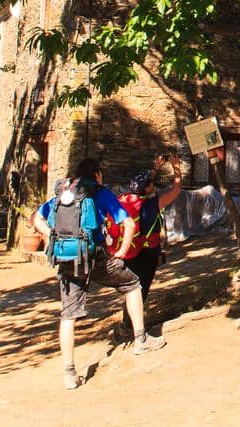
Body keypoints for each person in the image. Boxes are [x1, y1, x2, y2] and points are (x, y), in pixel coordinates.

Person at [31, 155, 165, 390]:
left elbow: (36, 217)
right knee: (133, 284)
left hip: (67, 259)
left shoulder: (63, 193)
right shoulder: (99, 192)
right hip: (96, 257)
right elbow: (128, 223)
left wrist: (52, 234)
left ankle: (69, 372)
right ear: (97, 174)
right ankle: (140, 339)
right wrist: (122, 251)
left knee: (68, 314)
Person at [109, 152, 183, 340]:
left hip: (128, 249)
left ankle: (126, 324)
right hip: (148, 251)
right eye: (151, 184)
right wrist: (176, 168)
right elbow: (176, 190)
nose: (153, 185)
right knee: (140, 289)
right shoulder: (152, 204)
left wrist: (155, 168)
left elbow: (143, 182)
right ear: (147, 188)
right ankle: (129, 328)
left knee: (131, 286)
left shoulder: (122, 200)